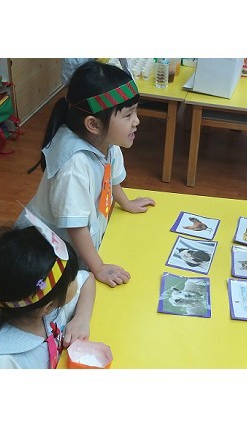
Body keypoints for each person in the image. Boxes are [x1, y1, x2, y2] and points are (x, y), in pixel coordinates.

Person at [16, 60, 155, 288]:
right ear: (94, 124)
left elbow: (111, 178)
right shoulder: (74, 165)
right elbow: (75, 226)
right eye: (128, 115)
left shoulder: (107, 143)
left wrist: (126, 203)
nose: (136, 121)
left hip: (77, 241)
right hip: (45, 252)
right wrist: (98, 267)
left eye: (135, 112)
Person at [0, 225, 97, 369]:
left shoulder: (36, 305)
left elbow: (87, 279)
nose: (76, 278)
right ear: (48, 307)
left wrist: (81, 319)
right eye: (72, 279)